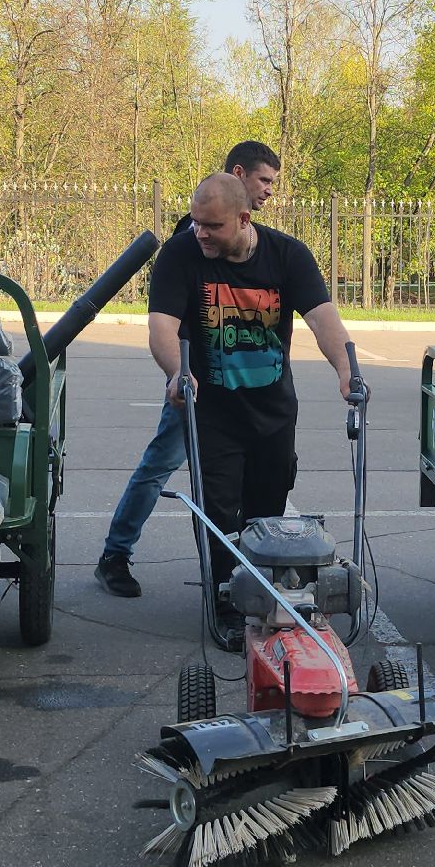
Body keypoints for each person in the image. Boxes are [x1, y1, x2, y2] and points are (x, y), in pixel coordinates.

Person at [143, 172, 356, 649]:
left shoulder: (287, 256)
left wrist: (346, 369)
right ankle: (225, 601)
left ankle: (260, 591)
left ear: (243, 219)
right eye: (195, 222)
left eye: (211, 226)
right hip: (212, 409)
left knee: (267, 506)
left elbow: (324, 320)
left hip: (272, 410)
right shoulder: (182, 254)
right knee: (218, 510)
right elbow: (161, 328)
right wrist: (179, 371)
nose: (199, 232)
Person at [95, 141, 282, 598]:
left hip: (237, 388)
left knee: (239, 483)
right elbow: (165, 319)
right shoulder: (195, 237)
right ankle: (115, 555)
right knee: (161, 464)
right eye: (264, 181)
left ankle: (240, 572)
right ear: (239, 174)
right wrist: (180, 372)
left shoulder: (250, 237)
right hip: (196, 386)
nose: (269, 192)